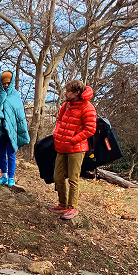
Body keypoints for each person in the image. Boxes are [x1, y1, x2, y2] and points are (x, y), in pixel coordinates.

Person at [48, 80, 97, 220]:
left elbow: (90, 129)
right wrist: (57, 134)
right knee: (58, 177)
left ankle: (72, 208)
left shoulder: (88, 108)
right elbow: (59, 120)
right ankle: (62, 204)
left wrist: (73, 139)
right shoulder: (65, 105)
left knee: (73, 179)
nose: (65, 93)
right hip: (61, 146)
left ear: (76, 93)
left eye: (68, 91)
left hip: (77, 148)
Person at [0, 70, 29, 186]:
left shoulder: (15, 95)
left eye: (8, 83)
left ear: (11, 82)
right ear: (0, 83)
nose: (6, 85)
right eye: (4, 83)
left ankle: (11, 177)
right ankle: (4, 175)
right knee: (0, 153)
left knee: (11, 153)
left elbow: (20, 115)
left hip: (11, 130)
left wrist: (22, 131)